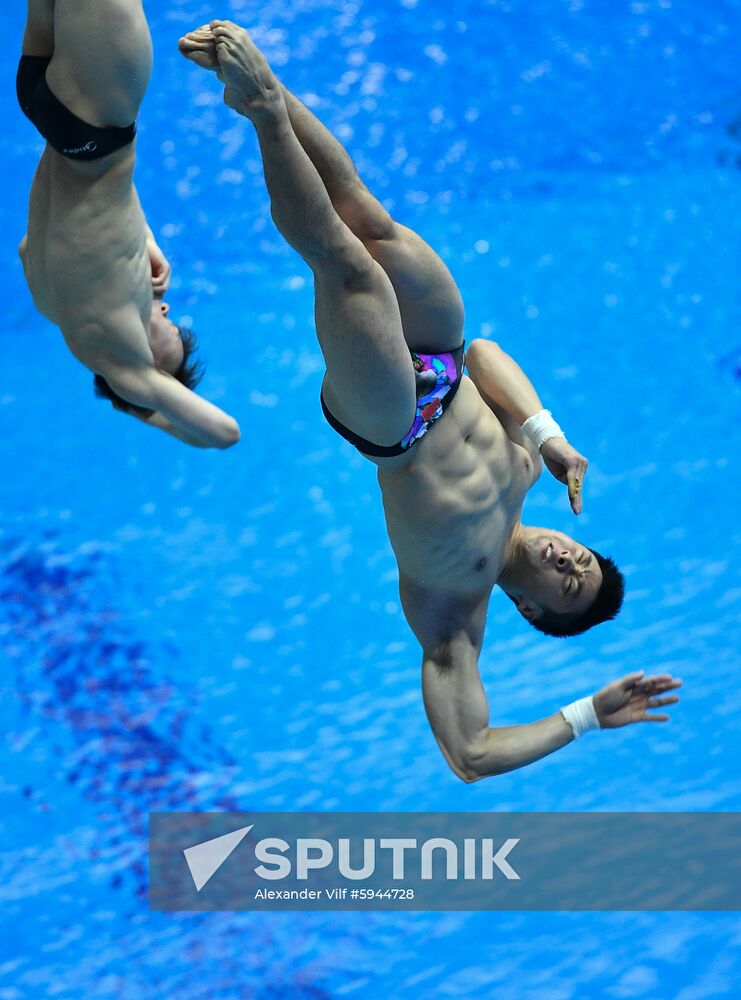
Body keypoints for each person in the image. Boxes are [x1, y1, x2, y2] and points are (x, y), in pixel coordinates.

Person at [179, 21, 681, 781]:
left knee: (345, 267)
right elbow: (483, 356)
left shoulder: (455, 610)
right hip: (444, 361)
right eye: (580, 557)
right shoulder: (531, 470)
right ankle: (265, 80)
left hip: (392, 422)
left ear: (533, 609)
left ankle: (262, 112)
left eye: (566, 582)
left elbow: (469, 756)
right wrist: (547, 433)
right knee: (367, 219)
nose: (565, 559)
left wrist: (583, 718)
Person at [16, 0, 240, 448]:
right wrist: (143, 242)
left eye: (168, 329)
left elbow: (224, 435)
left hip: (94, 115)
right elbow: (56, 234)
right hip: (53, 116)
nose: (165, 310)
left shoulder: (125, 363)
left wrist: (144, 405)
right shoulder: (53, 306)